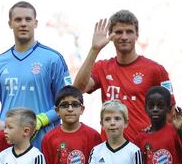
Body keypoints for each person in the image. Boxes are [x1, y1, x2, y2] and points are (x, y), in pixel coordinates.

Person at [73, 10, 174, 142]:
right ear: (110, 36)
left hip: (144, 147)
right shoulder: (102, 67)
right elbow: (77, 90)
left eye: (129, 31)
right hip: (110, 149)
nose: (124, 37)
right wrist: (94, 49)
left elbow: (170, 111)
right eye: (119, 32)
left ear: (137, 35)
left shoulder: (156, 70)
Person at [0, 1, 72, 150]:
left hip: (45, 143)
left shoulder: (53, 59)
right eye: (18, 20)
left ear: (36, 23)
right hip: (9, 145)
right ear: (10, 24)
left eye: (28, 19)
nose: (23, 24)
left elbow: (67, 102)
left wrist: (41, 120)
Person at [52, 100, 145, 164]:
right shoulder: (96, 151)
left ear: (126, 123)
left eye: (117, 118)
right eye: (107, 119)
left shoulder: (134, 151)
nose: (112, 123)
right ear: (102, 124)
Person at [41, 85, 102, 164]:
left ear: (82, 109)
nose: (70, 109)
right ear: (57, 111)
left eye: (75, 104)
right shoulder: (49, 138)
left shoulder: (93, 136)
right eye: (64, 105)